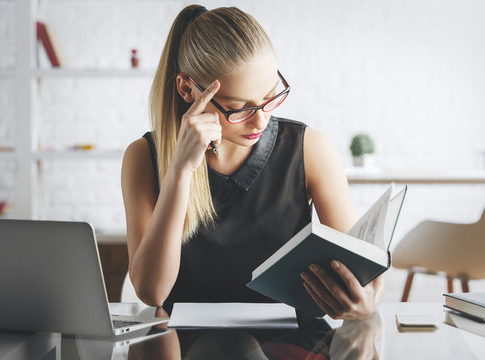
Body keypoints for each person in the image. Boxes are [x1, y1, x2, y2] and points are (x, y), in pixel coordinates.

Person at [121, 4, 383, 320]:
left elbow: (359, 268)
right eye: (238, 108)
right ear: (187, 89)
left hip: (292, 346)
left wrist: (366, 300)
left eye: (270, 97)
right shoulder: (144, 157)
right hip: (185, 346)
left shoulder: (309, 148)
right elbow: (152, 293)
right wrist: (180, 169)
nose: (260, 121)